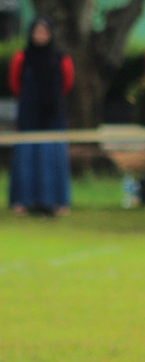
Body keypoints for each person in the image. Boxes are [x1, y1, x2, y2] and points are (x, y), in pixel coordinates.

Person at [8, 16, 74, 217]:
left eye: (44, 32)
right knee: (27, 157)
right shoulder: (22, 57)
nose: (40, 36)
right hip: (29, 114)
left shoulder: (61, 58)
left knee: (52, 156)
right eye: (37, 32)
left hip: (53, 114)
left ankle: (55, 201)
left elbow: (67, 84)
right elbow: (15, 84)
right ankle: (23, 200)